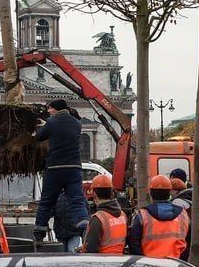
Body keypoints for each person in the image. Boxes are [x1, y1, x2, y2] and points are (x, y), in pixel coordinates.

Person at [31, 99, 89, 245]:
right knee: (77, 201)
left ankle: (39, 234)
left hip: (55, 168)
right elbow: (63, 131)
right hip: (74, 168)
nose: (48, 111)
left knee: (47, 201)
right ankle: (84, 229)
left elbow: (39, 137)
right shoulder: (77, 124)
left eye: (50, 109)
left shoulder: (52, 122)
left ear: (55, 109)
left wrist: (41, 127)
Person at [127, 175, 191, 259]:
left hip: (149, 264)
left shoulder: (143, 215)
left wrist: (141, 261)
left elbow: (133, 242)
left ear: (151, 193)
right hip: (176, 263)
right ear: (169, 193)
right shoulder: (183, 214)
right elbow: (189, 240)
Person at [82, 174, 127, 254]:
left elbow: (91, 249)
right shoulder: (122, 215)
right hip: (120, 260)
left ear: (95, 194)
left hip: (103, 263)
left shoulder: (98, 219)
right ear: (111, 192)